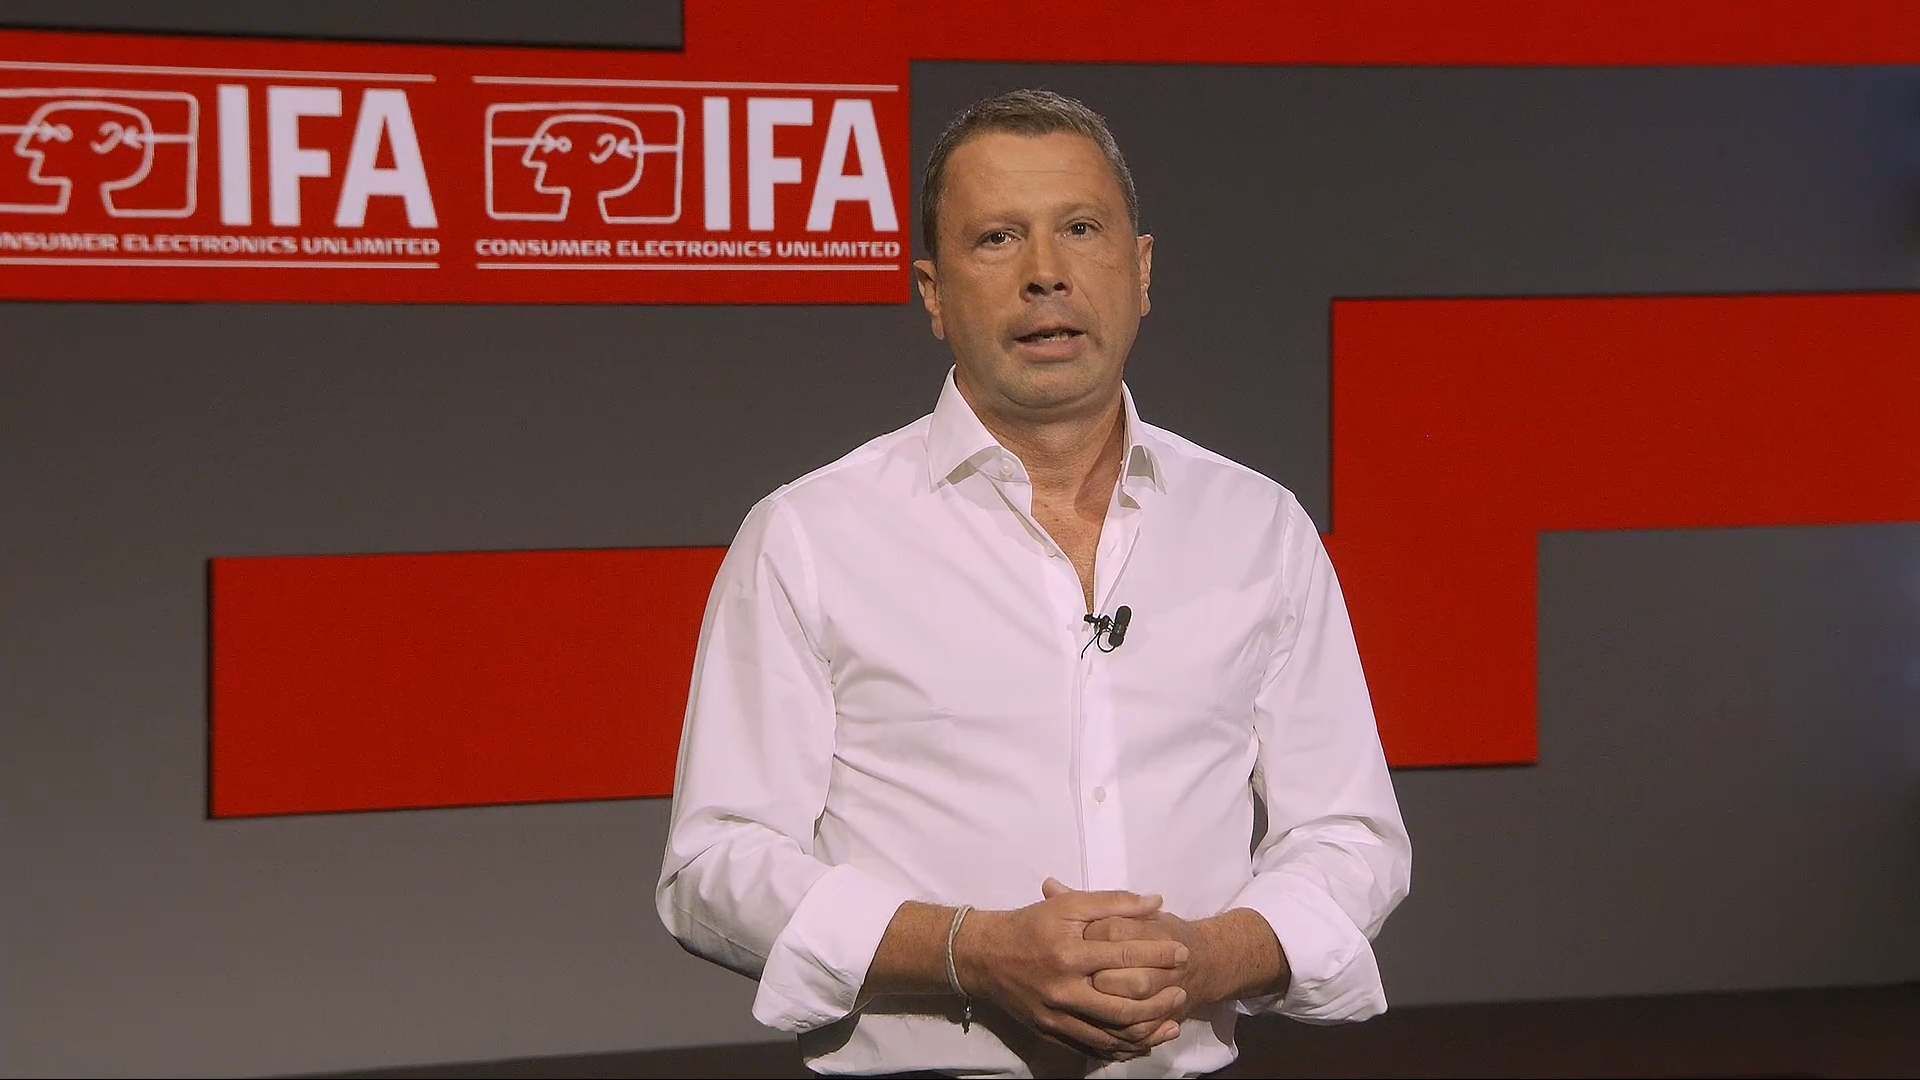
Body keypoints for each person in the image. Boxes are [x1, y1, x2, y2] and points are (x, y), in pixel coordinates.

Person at [657, 88, 1411, 1078]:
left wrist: (1204, 958)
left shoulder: (1258, 527)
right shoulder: (809, 536)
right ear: (933, 293)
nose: (1046, 274)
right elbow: (714, 868)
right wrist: (970, 952)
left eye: (1081, 230)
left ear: (1142, 270)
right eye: (998, 239)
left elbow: (1350, 837)